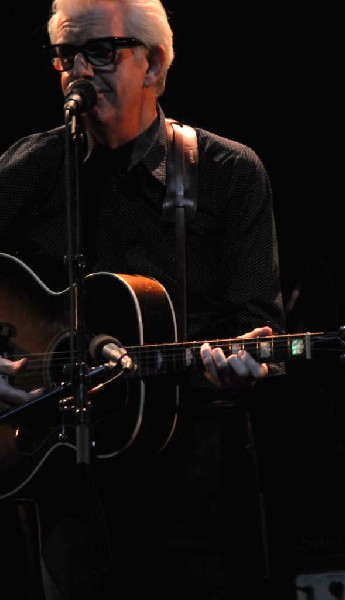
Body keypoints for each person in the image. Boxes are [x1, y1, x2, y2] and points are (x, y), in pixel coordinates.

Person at [0, 0, 286, 598]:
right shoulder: (29, 172)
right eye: (66, 56)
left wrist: (243, 361)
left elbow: (257, 325)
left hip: (196, 485)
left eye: (100, 51)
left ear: (153, 64)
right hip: (65, 486)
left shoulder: (226, 173)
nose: (78, 70)